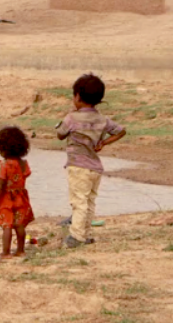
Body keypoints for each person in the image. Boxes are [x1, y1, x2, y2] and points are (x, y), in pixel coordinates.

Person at [57, 74, 127, 249]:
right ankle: (85, 233)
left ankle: (76, 236)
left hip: (78, 167)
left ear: (78, 97)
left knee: (78, 202)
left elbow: (60, 134)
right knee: (89, 201)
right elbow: (120, 131)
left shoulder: (72, 118)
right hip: (95, 168)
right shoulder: (102, 119)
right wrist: (103, 142)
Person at [0, 126, 34, 257]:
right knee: (19, 225)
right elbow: (24, 176)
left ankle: (5, 252)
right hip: (21, 197)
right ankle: (20, 250)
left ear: (3, 148)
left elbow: (0, 186)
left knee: (7, 225)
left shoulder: (3, 165)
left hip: (6, 199)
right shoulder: (23, 164)